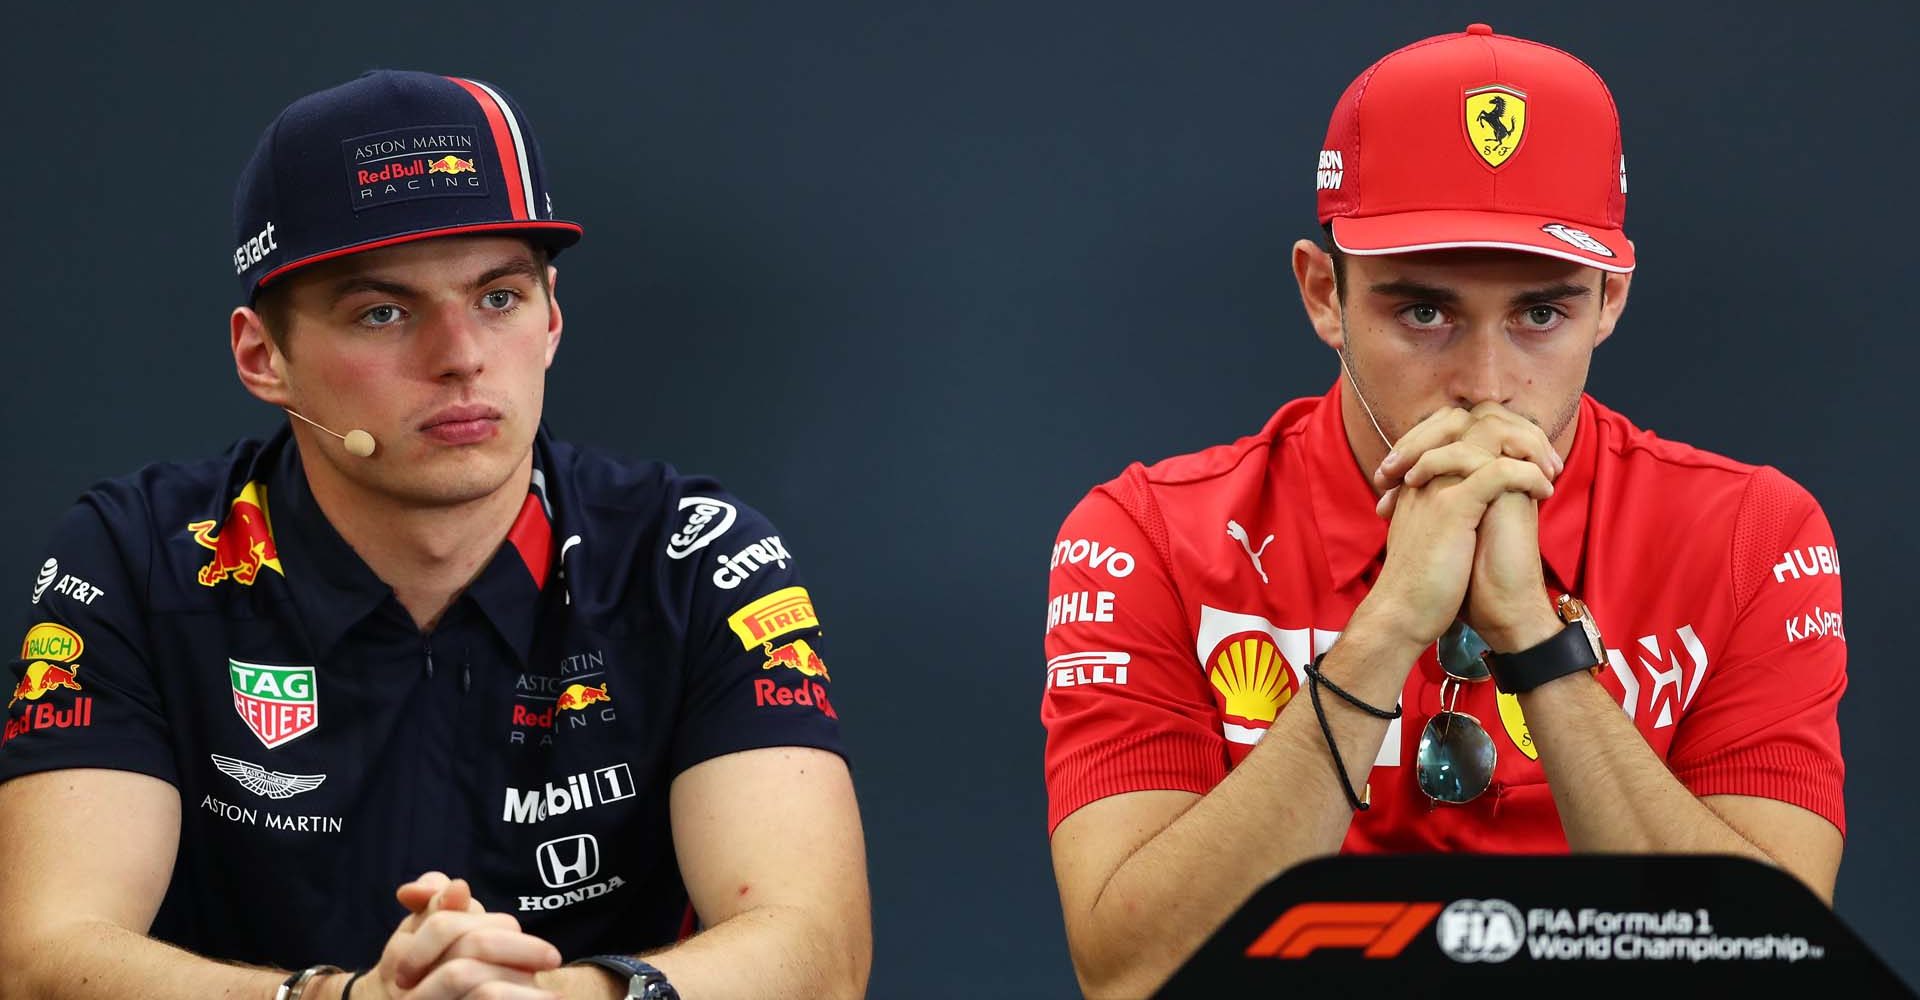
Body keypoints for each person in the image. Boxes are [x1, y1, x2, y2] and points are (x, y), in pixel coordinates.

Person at [0, 70, 870, 1000]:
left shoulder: (693, 557)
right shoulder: (136, 557)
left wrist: (560, 999)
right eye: (385, 311)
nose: (459, 354)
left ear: (552, 320)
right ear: (264, 357)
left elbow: (819, 953)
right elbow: (41, 957)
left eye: (498, 297)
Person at [1041, 23, 1846, 997]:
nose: (1487, 385)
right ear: (1321, 294)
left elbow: (1768, 967)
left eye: (1541, 313)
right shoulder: (1146, 535)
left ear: (1611, 301)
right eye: (1425, 312)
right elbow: (1134, 974)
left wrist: (1533, 637)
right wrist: (1389, 622)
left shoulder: (1752, 535)